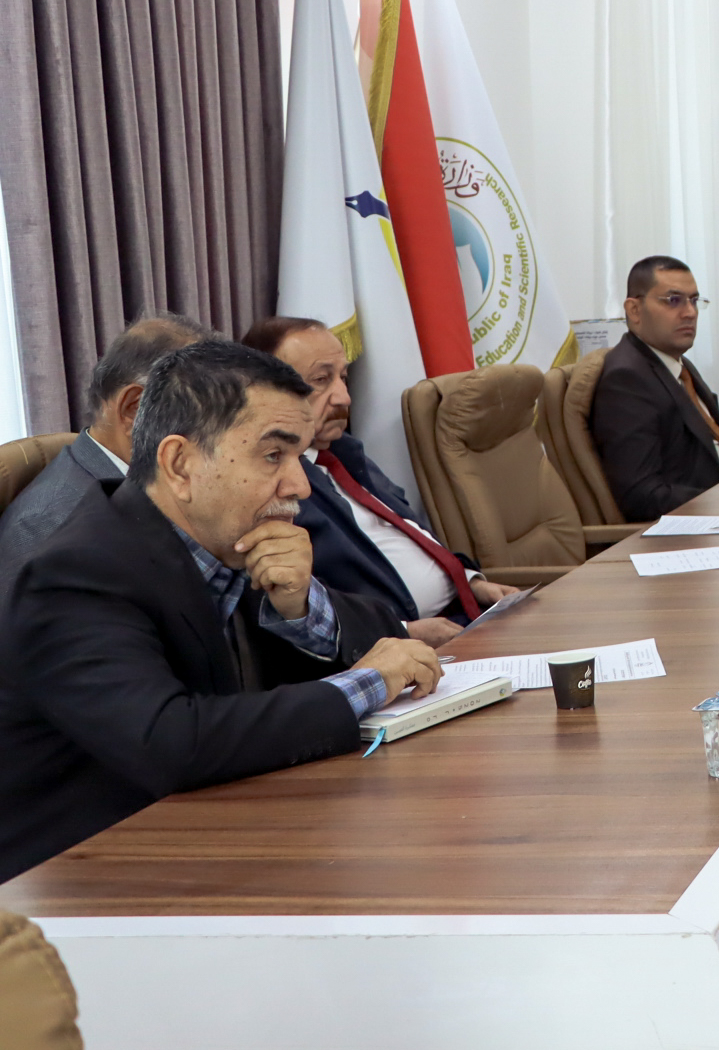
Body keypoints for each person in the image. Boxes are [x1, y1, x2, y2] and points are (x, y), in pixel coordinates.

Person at [0, 339, 439, 882]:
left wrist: (300, 607)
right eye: (273, 456)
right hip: (82, 884)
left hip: (212, 837)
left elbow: (385, 635)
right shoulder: (75, 575)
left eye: (299, 457)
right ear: (180, 464)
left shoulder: (225, 538)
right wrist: (367, 683)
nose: (300, 486)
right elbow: (172, 742)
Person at [240, 317, 519, 649]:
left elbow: (412, 536)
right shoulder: (275, 487)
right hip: (402, 648)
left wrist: (471, 583)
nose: (344, 398)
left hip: (470, 614)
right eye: (321, 380)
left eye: (343, 378)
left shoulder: (346, 453)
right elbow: (302, 609)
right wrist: (404, 631)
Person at [0, 315, 206, 564]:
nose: (216, 435)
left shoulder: (144, 488)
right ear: (134, 409)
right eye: (205, 413)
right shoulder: (50, 530)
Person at [592, 256, 719, 521]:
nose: (690, 312)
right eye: (673, 300)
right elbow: (640, 495)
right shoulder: (627, 379)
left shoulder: (677, 365)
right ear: (634, 310)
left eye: (694, 300)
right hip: (700, 528)